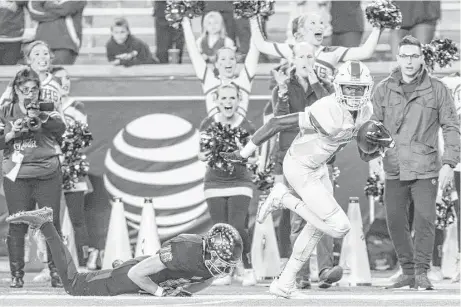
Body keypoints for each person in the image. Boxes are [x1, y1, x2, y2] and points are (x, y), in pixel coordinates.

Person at [221, 61, 395, 298]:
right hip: (299, 166)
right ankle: (282, 197)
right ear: (338, 87)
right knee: (340, 226)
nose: (354, 94)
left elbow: (364, 153)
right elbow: (276, 123)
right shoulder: (326, 108)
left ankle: (285, 282)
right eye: (349, 88)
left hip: (319, 167)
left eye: (359, 88)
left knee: (315, 229)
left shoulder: (365, 111)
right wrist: (244, 153)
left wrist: (379, 147)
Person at [369, 35, 460, 290]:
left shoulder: (437, 88)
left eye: (414, 56)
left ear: (422, 58)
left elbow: (451, 127)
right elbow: (372, 128)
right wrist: (373, 157)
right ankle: (408, 271)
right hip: (393, 164)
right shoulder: (383, 88)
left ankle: (421, 271)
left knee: (424, 219)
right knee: (395, 220)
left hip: (426, 166)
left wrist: (449, 163)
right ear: (398, 58)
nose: (409, 61)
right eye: (404, 56)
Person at [6, 207, 243, 297]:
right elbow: (138, 274)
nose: (222, 269)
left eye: (226, 265)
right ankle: (46, 225)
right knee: (74, 285)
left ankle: (123, 265)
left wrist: (183, 291)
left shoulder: (208, 262)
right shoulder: (187, 250)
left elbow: (204, 279)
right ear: (208, 249)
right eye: (221, 262)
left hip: (150, 271)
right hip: (135, 278)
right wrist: (161, 293)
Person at [270, 42, 341, 289]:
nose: (305, 60)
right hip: (295, 159)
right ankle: (298, 274)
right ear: (293, 59)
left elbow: (332, 113)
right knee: (299, 218)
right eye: (300, 56)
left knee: (325, 212)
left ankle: (324, 269)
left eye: (309, 56)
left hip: (321, 159)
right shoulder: (284, 86)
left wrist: (314, 81)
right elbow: (280, 122)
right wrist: (281, 90)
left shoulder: (324, 87)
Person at [0, 67, 67, 288]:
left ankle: (57, 272)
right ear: (16, 90)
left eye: (34, 89)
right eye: (25, 89)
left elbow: (61, 128)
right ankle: (16, 275)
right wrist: (11, 133)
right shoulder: (6, 110)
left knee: (50, 223)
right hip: (17, 175)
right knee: (17, 223)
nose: (30, 93)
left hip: (47, 172)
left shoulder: (47, 106)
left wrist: (40, 117)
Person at [198, 84, 257, 286]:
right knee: (220, 229)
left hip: (240, 181)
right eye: (223, 98)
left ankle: (247, 268)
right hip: (214, 182)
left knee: (238, 226)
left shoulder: (247, 126)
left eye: (232, 98)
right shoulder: (208, 124)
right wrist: (213, 151)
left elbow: (255, 159)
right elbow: (201, 154)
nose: (228, 102)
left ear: (239, 100)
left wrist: (241, 154)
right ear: (216, 101)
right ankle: (224, 270)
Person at [50, 66, 98, 271]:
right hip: (49, 167)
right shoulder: (43, 107)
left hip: (72, 167)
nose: (65, 82)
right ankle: (51, 266)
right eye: (60, 80)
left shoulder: (77, 106)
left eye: (67, 78)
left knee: (77, 217)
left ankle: (84, 262)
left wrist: (61, 110)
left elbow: (80, 138)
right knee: (50, 218)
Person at [250, 13, 382, 79]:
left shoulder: (332, 52)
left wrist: (377, 27)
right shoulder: (291, 50)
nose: (319, 26)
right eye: (313, 23)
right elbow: (261, 45)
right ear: (300, 32)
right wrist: (252, 17)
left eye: (321, 23)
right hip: (297, 111)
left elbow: (365, 52)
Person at [182, 16, 259, 117]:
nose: (228, 62)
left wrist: (255, 18)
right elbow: (193, 51)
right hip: (212, 131)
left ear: (236, 62)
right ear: (217, 64)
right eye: (223, 59)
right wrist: (185, 22)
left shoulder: (243, 82)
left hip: (242, 131)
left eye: (231, 59)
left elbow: (255, 48)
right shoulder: (210, 81)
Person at [28, 0, 86, 65]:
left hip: (65, 46)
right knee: (42, 74)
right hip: (41, 44)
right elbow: (34, 11)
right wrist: (58, 14)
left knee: (58, 73)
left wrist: (46, 3)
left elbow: (66, 9)